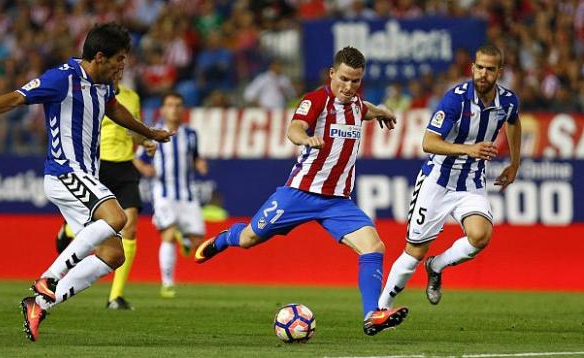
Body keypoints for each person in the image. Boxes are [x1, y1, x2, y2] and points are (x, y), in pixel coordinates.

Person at [0, 22, 174, 342]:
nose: (124, 65)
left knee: (113, 255)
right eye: (119, 59)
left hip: (85, 176)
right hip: (65, 172)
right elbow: (15, 98)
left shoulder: (105, 84)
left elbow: (114, 109)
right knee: (116, 216)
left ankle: (39, 305)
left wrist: (150, 132)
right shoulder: (61, 78)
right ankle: (48, 278)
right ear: (100, 57)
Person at [194, 46, 408, 336]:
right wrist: (305, 139)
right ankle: (224, 238)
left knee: (375, 247)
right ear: (332, 74)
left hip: (337, 202)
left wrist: (382, 112)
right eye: (343, 79)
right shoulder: (316, 100)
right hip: (299, 193)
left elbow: (365, 108)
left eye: (355, 81)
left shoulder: (357, 104)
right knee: (248, 238)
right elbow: (293, 128)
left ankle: (372, 315)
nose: (348, 87)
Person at [377, 44, 521, 311]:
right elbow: (428, 142)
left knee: (480, 236)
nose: (483, 74)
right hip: (438, 181)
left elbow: (513, 121)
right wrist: (469, 149)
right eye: (480, 68)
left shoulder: (508, 101)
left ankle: (437, 265)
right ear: (472, 68)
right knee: (414, 253)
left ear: (499, 72)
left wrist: (515, 163)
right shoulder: (456, 99)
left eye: (490, 69)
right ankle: (380, 309)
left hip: (471, 183)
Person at [53, 68, 157, 310]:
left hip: (126, 166)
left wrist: (146, 141)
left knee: (129, 228)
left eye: (120, 68)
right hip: (99, 165)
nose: (117, 72)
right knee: (103, 224)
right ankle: (69, 230)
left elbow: (133, 129)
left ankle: (115, 297)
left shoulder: (132, 97)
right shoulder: (93, 95)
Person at [134, 92, 208, 298]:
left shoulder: (191, 134)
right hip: (164, 193)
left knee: (197, 242)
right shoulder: (152, 133)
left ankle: (184, 238)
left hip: (188, 195)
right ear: (163, 109)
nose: (174, 109)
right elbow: (137, 158)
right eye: (170, 105)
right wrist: (144, 169)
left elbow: (194, 156)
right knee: (167, 234)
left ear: (182, 109)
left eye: (178, 105)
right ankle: (167, 284)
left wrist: (199, 163)